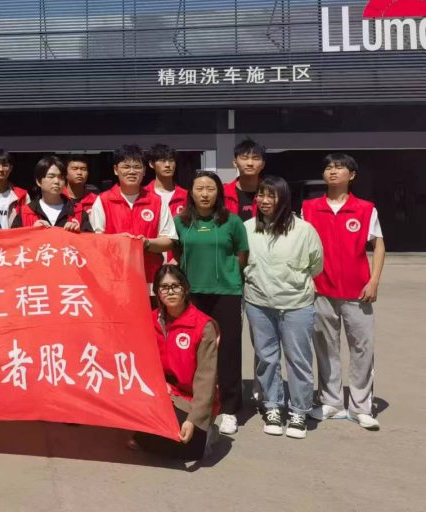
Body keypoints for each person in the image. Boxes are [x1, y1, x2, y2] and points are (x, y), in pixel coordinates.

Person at [303, 153, 385, 430]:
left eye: (339, 168)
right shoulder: (309, 208)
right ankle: (332, 402)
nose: (333, 171)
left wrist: (374, 281)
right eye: (328, 167)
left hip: (358, 292)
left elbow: (378, 245)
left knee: (362, 348)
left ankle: (361, 406)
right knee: (326, 348)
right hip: (321, 291)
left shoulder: (365, 209)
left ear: (352, 175)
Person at [244, 176, 324, 439]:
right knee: (266, 358)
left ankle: (299, 410)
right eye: (261, 195)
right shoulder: (247, 228)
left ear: (284, 198)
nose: (265, 200)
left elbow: (316, 265)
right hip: (258, 304)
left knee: (298, 360)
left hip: (296, 305)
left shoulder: (304, 230)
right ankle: (273, 406)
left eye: (272, 195)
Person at [172, 170, 248, 436]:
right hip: (193, 293)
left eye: (211, 189)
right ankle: (196, 403)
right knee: (193, 352)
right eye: (199, 189)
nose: (205, 194)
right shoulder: (180, 222)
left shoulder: (232, 221)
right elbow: (177, 252)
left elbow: (241, 254)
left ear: (219, 194)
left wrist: (228, 275)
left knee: (228, 351)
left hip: (226, 292)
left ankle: (229, 408)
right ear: (191, 193)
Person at [128, 265, 219, 460]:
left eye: (176, 286)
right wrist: (158, 385)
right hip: (161, 393)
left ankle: (206, 433)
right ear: (157, 292)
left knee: (186, 447)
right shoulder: (149, 321)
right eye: (164, 287)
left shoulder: (203, 326)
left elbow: (206, 379)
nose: (170, 292)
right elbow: (140, 362)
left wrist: (194, 419)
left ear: (186, 289)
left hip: (190, 399)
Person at [88, 144, 176, 286]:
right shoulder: (103, 200)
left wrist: (146, 243)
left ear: (144, 171)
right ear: (116, 170)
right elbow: (94, 241)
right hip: (113, 279)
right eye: (126, 167)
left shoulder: (157, 201)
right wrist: (119, 241)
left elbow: (169, 241)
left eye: (137, 167)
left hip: (149, 280)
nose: (132, 171)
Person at [11, 156, 90, 232]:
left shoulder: (78, 211)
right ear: (38, 181)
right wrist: (31, 232)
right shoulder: (26, 212)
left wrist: (79, 233)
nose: (57, 181)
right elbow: (14, 239)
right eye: (51, 177)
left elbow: (91, 239)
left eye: (61, 177)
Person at [224, 138, 265, 221]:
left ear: (263, 164)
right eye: (244, 158)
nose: (250, 163)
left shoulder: (273, 192)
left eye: (256, 158)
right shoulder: (223, 193)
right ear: (235, 162)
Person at [146, 143, 188, 217]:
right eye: (162, 161)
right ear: (151, 164)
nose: (168, 165)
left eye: (171, 160)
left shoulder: (186, 196)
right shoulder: (142, 195)